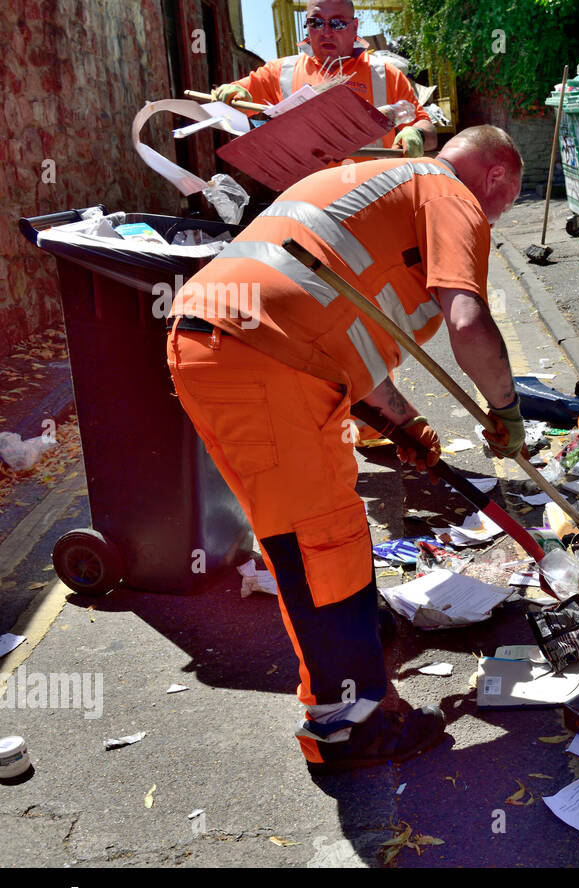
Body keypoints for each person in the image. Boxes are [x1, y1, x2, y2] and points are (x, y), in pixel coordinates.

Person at [166, 126, 526, 773]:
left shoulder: (374, 183)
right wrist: (507, 411)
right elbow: (468, 323)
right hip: (264, 355)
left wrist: (403, 420)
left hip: (226, 341)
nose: (496, 216)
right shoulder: (450, 191)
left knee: (315, 526)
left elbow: (338, 320)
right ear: (497, 176)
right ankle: (347, 720)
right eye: (507, 201)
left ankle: (355, 644)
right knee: (317, 536)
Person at [211, 0, 438, 158]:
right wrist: (232, 94)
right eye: (316, 23)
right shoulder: (280, 71)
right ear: (307, 27)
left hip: (373, 195)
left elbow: (428, 132)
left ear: (354, 27)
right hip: (307, 199)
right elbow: (232, 107)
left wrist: (416, 133)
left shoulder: (385, 74)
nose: (326, 32)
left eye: (337, 23)